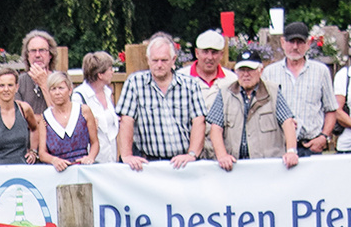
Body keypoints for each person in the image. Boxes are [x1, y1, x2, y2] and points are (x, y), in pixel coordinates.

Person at [117, 36, 205, 169]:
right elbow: (126, 121)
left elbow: (199, 121)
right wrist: (126, 156)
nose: (159, 65)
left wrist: (192, 154)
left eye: (164, 60)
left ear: (173, 60)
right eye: (155, 60)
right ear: (148, 60)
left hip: (184, 164)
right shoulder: (135, 83)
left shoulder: (190, 85)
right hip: (148, 164)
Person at [206, 46, 300, 169]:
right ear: (236, 72)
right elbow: (216, 128)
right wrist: (222, 156)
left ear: (260, 71)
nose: (245, 74)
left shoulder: (273, 92)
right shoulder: (224, 93)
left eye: (250, 70)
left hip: (268, 167)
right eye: (241, 70)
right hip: (234, 167)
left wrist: (291, 151)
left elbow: (287, 122)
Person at [264, 22, 338, 155]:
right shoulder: (269, 73)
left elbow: (331, 109)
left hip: (310, 145)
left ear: (308, 43)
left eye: (300, 42)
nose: (295, 47)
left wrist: (323, 137)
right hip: (279, 145)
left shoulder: (321, 71)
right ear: (282, 42)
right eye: (291, 42)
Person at [39, 71, 100, 169]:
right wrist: (54, 160)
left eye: (61, 88)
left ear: (70, 90)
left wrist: (90, 157)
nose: (57, 93)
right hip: (58, 170)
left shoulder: (83, 111)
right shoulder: (45, 117)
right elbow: (42, 153)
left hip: (82, 168)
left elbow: (95, 142)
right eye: (53, 89)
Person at [75, 52, 121, 162]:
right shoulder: (80, 96)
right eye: (110, 69)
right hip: (92, 160)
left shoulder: (108, 93)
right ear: (100, 74)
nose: (112, 72)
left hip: (111, 158)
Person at [15, 30, 60, 113]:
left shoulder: (61, 80)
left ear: (50, 55)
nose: (37, 55)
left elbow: (60, 115)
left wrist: (44, 84)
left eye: (42, 50)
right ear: (27, 55)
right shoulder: (19, 82)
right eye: (33, 51)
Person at [186, 30, 235, 100]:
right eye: (205, 52)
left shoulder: (231, 80)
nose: (210, 57)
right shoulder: (181, 78)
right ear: (197, 53)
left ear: (221, 54)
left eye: (214, 52)